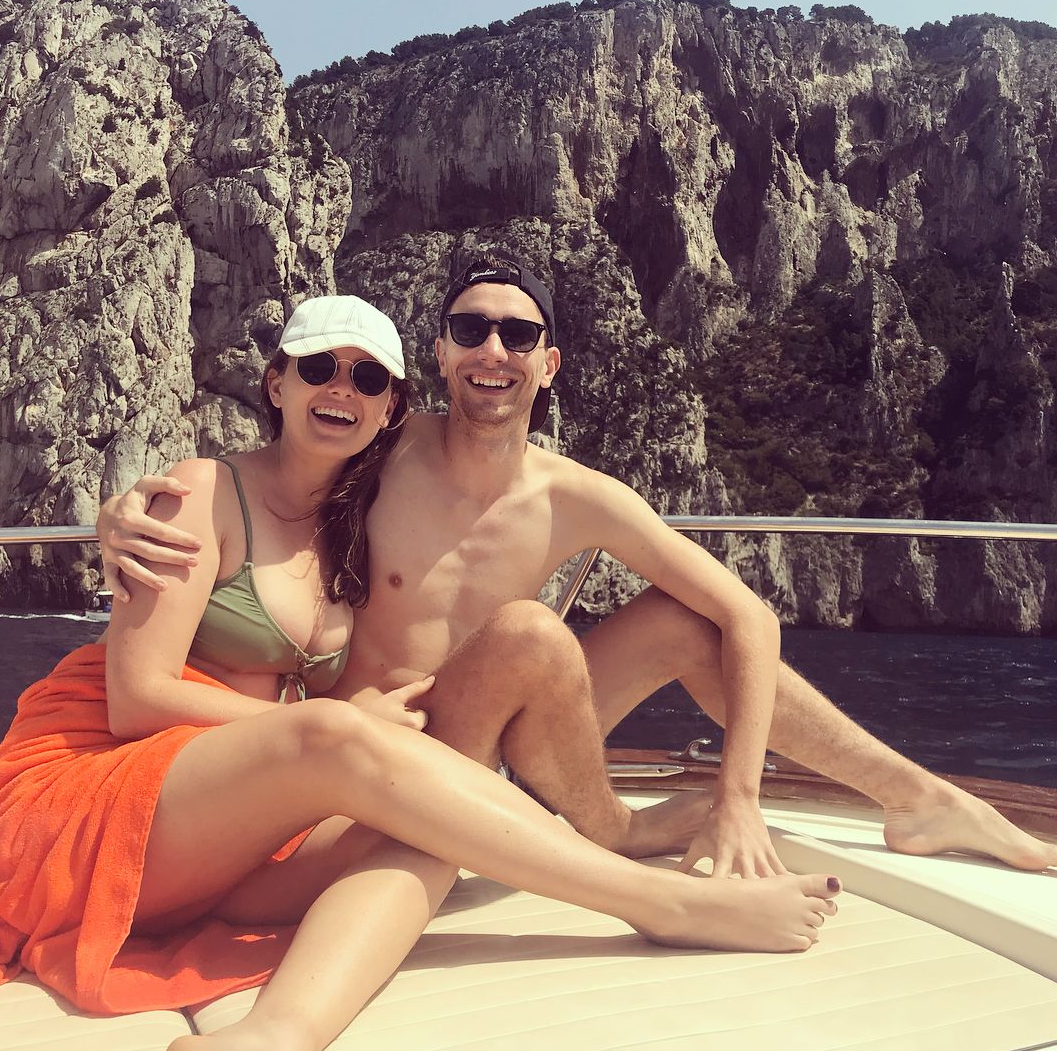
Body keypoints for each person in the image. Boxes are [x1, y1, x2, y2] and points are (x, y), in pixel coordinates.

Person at [0, 295, 843, 1051]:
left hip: (234, 830)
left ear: (391, 407)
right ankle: (662, 905)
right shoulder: (200, 492)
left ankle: (281, 1033)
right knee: (333, 732)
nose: (341, 390)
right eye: (318, 368)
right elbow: (136, 701)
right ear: (275, 383)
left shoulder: (353, 514)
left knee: (431, 822)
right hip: (99, 791)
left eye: (366, 378)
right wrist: (120, 511)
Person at [99, 259, 1057, 876]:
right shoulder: (383, 441)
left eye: (518, 336)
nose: (493, 351)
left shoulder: (580, 497)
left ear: (548, 365)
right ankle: (616, 830)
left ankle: (922, 799)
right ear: (438, 354)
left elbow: (751, 617)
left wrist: (740, 800)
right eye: (470, 330)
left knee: (684, 621)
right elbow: (274, 471)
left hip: (507, 738)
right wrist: (127, 511)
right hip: (382, 747)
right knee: (531, 631)